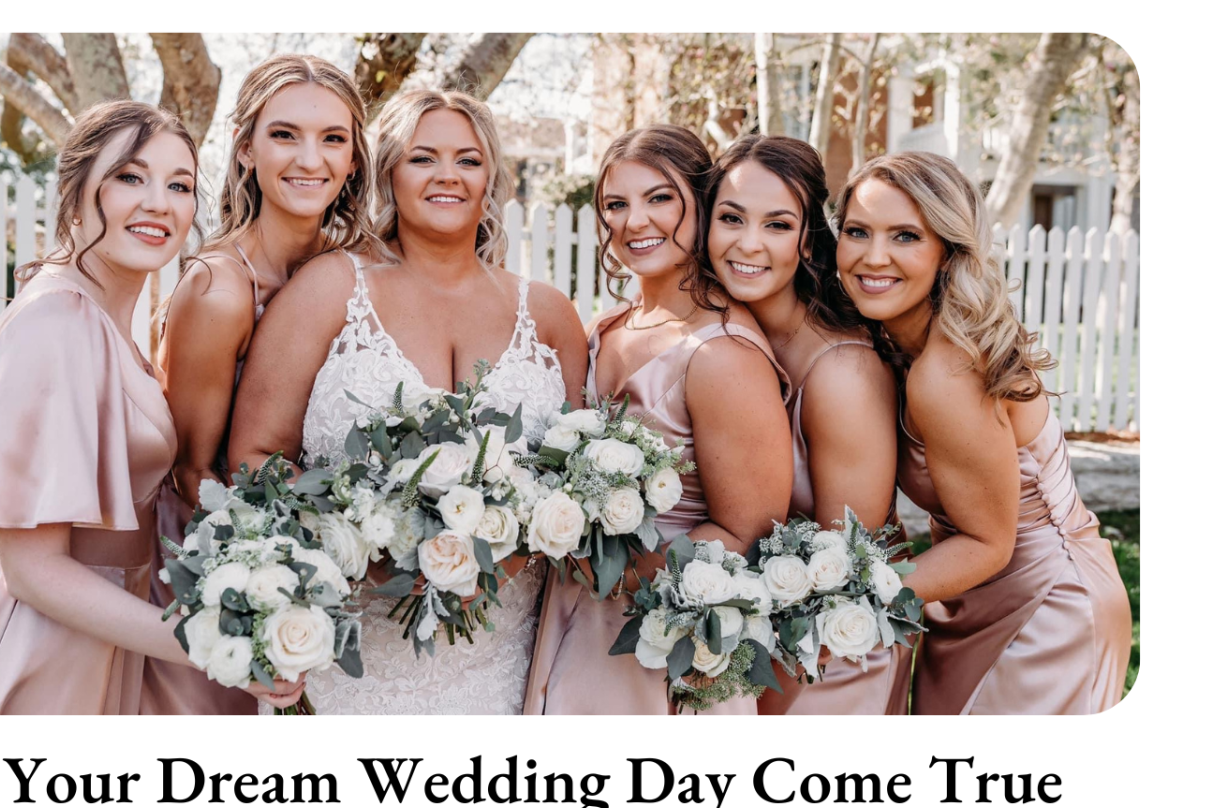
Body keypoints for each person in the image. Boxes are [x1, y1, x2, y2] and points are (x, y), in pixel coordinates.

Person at [0, 101, 303, 714]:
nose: (159, 202)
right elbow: (32, 570)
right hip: (27, 641)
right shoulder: (58, 320)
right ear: (76, 191)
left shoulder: (102, 322)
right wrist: (219, 647)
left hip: (100, 632)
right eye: (130, 176)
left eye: (179, 185)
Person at [228, 89, 587, 714]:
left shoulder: (550, 314)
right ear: (389, 170)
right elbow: (254, 459)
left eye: (468, 160)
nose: (448, 175)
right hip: (349, 663)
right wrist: (368, 545)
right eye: (424, 158)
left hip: (499, 662)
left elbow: (570, 484)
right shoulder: (330, 288)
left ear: (492, 176)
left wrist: (508, 551)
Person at [834, 151, 1131, 714]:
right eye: (857, 231)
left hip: (1045, 611)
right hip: (971, 599)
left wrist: (828, 597)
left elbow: (990, 543)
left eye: (905, 236)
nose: (874, 256)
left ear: (948, 250)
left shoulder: (946, 374)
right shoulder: (905, 341)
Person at [523, 125, 794, 715]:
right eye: (616, 205)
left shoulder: (722, 354)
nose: (634, 221)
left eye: (659, 198)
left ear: (702, 201)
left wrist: (606, 570)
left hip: (660, 639)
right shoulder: (606, 328)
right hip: (570, 611)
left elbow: (747, 534)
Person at [140, 54, 375, 715]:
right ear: (245, 149)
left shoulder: (357, 274)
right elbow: (191, 478)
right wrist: (274, 605)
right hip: (227, 584)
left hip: (338, 577)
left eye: (333, 138)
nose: (311, 159)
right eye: (284, 135)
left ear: (355, 159)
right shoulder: (218, 290)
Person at [703, 135, 908, 715]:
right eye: (731, 218)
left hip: (830, 656)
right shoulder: (730, 343)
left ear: (809, 240)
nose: (748, 243)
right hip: (753, 645)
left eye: (777, 224)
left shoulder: (842, 371)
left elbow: (848, 564)